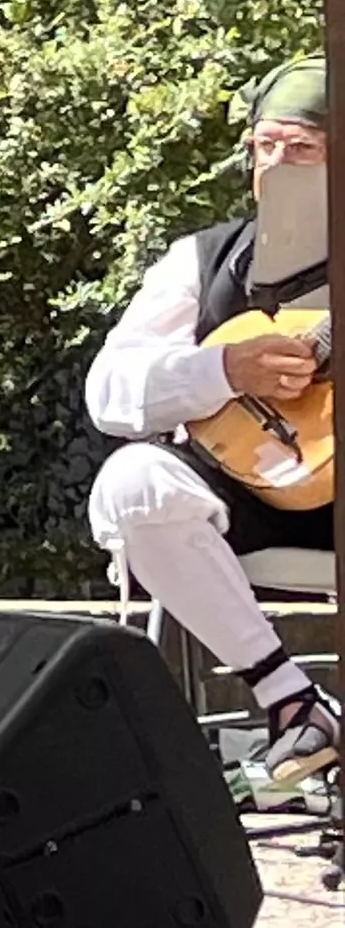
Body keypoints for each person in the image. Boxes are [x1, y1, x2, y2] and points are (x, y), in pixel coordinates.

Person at [83, 58, 340, 795]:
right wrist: (227, 374)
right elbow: (110, 390)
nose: (278, 165)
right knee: (131, 483)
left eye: (303, 149)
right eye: (267, 146)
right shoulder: (204, 261)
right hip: (246, 499)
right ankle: (293, 700)